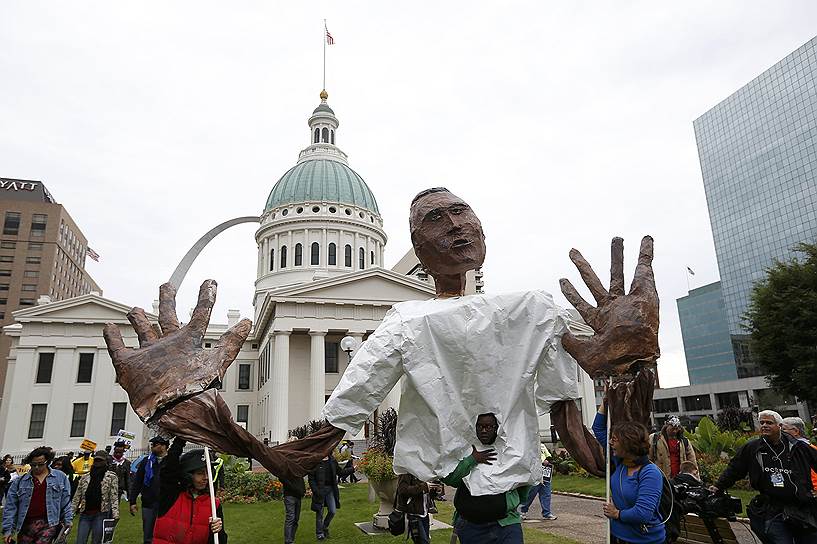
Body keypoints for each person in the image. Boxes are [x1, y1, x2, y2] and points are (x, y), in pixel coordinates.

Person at [322, 188, 661, 493]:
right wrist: (312, 449)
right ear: (419, 249)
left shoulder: (533, 309)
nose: (455, 224)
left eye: (460, 211)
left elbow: (566, 407)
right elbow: (357, 392)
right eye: (436, 218)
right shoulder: (408, 318)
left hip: (505, 497)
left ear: (481, 229)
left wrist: (629, 359)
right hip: (469, 492)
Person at [712, 410, 817, 543]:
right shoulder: (753, 448)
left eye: (769, 422)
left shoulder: (798, 446)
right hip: (772, 509)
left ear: (779, 426)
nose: (764, 425)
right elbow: (734, 469)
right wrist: (718, 486)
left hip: (801, 508)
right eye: (762, 423)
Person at [441, 413, 527, 544]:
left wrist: (511, 501)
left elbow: (524, 481)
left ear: (496, 428)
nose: (484, 430)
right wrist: (472, 460)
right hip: (472, 526)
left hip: (505, 524)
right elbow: (450, 479)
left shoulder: (508, 450)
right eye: (480, 426)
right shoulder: (465, 449)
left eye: (488, 426)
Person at [593, 403, 666, 544]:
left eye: (614, 439)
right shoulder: (621, 463)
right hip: (617, 536)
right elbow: (598, 429)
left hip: (645, 540)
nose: (609, 442)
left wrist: (616, 513)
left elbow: (643, 514)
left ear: (627, 443)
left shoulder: (650, 473)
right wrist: (606, 400)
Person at [152, 438, 226, 544]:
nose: (206, 477)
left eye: (207, 473)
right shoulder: (171, 496)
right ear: (188, 475)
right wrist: (181, 438)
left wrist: (218, 531)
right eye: (200, 473)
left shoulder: (214, 504)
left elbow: (219, 541)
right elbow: (169, 469)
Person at [1, 446, 73, 544]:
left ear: (47, 462)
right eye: (33, 464)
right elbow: (10, 506)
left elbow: (66, 502)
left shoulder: (60, 478)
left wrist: (68, 521)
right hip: (26, 524)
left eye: (40, 464)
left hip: (49, 523)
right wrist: (7, 530)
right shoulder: (20, 482)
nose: (36, 467)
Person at [129, 436, 170, 544]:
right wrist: (132, 501)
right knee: (148, 535)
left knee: (165, 534)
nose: (152, 447)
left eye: (156, 444)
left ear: (164, 446)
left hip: (166, 504)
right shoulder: (146, 462)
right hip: (148, 503)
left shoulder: (171, 462)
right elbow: (137, 481)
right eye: (152, 444)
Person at [72, 451, 119, 544]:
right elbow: (77, 496)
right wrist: (71, 513)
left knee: (97, 541)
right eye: (96, 460)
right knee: (80, 541)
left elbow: (114, 496)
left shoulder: (111, 477)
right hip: (85, 514)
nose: (97, 463)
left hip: (101, 514)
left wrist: (115, 514)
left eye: (100, 461)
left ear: (106, 462)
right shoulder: (85, 477)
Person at [396, 473, 441, 544]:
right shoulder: (407, 471)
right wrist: (424, 487)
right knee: (423, 542)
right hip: (413, 514)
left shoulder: (425, 470)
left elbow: (427, 495)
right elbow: (402, 490)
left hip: (424, 514)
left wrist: (435, 490)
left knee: (425, 541)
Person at [308, 454, 342, 540]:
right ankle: (319, 533)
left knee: (332, 511)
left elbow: (340, 472)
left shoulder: (332, 460)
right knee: (320, 512)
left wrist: (353, 469)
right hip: (320, 490)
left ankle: (324, 527)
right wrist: (316, 491)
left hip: (330, 489)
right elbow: (311, 478)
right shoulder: (316, 461)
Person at [520, 443, 557, 521]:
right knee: (531, 493)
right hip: (534, 474)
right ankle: (523, 511)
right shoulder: (528, 445)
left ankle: (547, 513)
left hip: (545, 474)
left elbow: (548, 456)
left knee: (546, 494)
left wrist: (547, 460)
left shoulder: (542, 446)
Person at [781, 416, 817, 494]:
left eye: (783, 429)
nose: (781, 433)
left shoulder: (807, 449)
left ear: (795, 431)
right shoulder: (791, 447)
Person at [281, 475, 305, 544]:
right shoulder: (287, 468)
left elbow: (301, 479)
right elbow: (281, 477)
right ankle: (288, 541)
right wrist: (294, 487)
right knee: (290, 517)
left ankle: (291, 538)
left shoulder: (297, 468)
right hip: (290, 495)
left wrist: (302, 490)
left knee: (296, 519)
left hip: (298, 496)